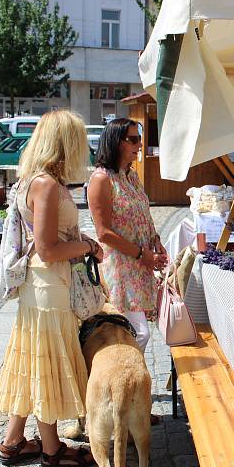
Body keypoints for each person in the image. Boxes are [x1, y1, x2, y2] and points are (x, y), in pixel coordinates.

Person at [0, 110, 99, 467]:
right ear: (66, 143)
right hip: (48, 286)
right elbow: (49, 248)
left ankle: (13, 441)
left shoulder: (35, 180)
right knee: (47, 367)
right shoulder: (47, 185)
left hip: (40, 287)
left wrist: (79, 239)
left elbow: (49, 239)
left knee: (32, 361)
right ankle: (53, 450)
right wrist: (87, 247)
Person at [88, 118, 167, 355]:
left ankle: (133, 385)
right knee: (138, 333)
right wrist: (143, 254)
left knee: (138, 331)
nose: (139, 144)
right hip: (122, 267)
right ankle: (128, 380)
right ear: (115, 142)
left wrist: (156, 241)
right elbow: (104, 233)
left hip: (141, 264)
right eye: (132, 139)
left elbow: (143, 214)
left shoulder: (131, 176)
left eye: (139, 139)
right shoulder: (102, 179)